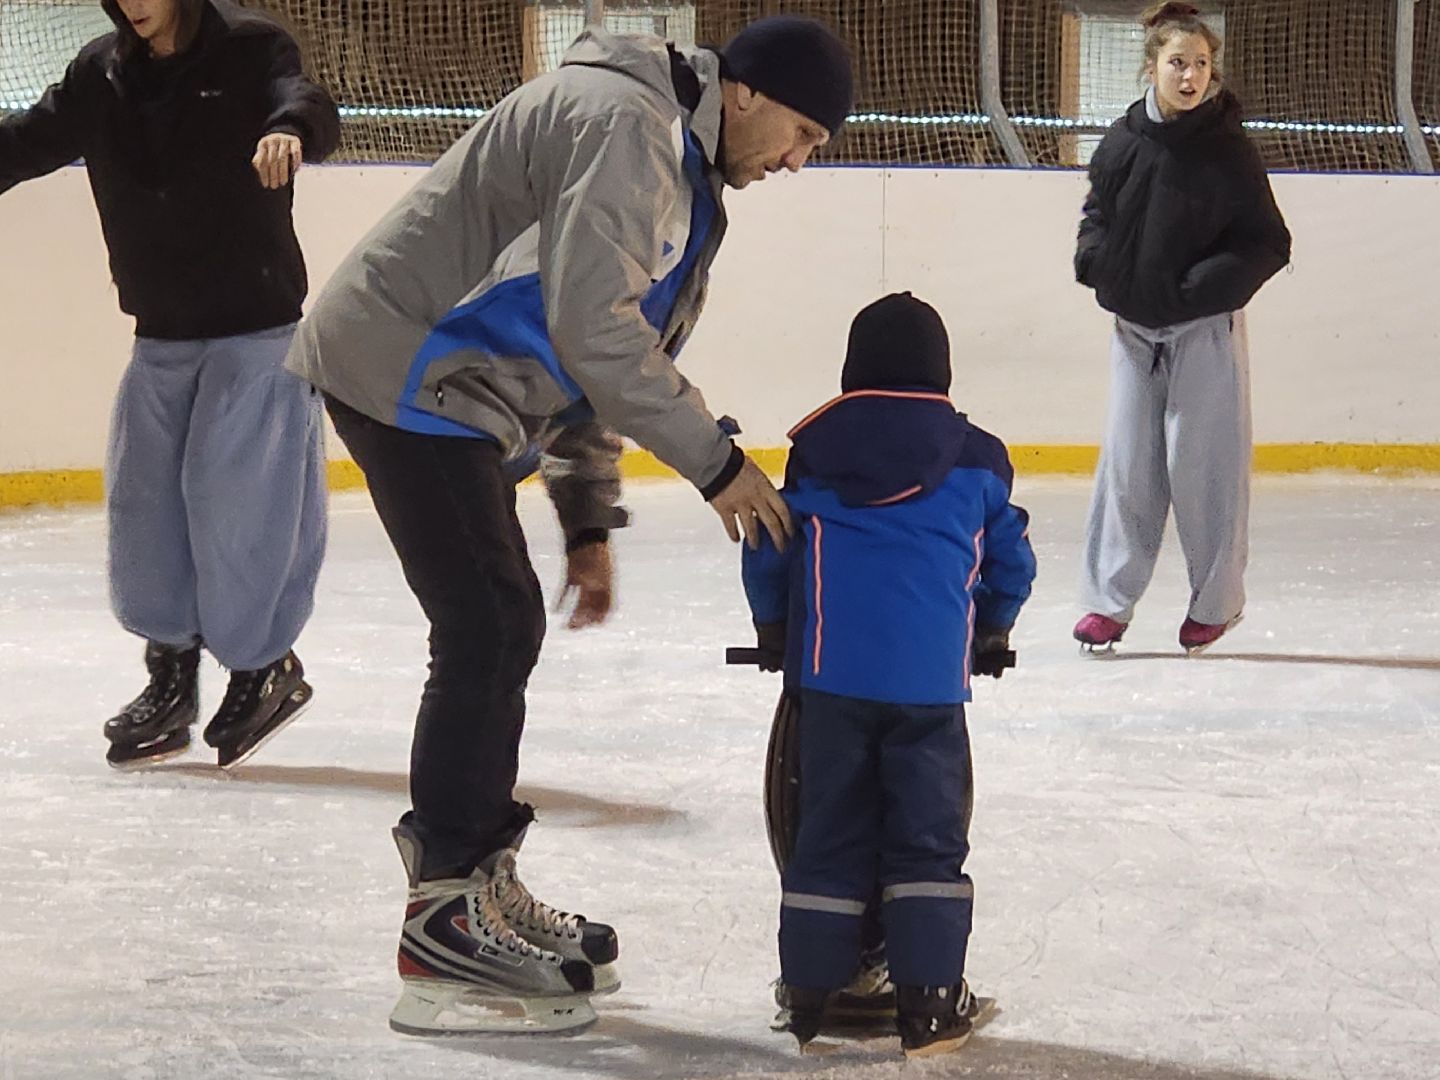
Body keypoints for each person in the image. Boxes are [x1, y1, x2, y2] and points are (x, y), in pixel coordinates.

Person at [285, 16, 854, 1034]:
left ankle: (476, 882)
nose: (801, 160)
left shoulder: (674, 160)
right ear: (749, 93)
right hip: (404, 366)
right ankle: (445, 916)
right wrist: (717, 468)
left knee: (500, 622)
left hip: (451, 386)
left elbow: (598, 347)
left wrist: (586, 520)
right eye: (805, 132)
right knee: (489, 624)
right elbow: (595, 335)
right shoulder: (630, 129)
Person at [0, 0, 340, 768]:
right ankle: (172, 672)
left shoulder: (250, 48)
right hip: (160, 330)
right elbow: (27, 141)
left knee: (237, 504)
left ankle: (261, 667)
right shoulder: (103, 73)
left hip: (255, 327)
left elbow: (304, 98)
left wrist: (289, 130)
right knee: (145, 506)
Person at [739, 293, 1037, 1057]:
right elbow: (1010, 557)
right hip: (932, 689)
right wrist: (994, 624)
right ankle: (930, 1006)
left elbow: (769, 545)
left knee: (828, 832)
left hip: (829, 682)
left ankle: (810, 995)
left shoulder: (814, 453)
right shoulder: (976, 457)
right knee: (927, 841)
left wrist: (773, 627)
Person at [1072, 1, 1291, 655]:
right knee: (1128, 467)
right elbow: (1097, 216)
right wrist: (1095, 264)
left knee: (1205, 469)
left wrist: (1201, 291)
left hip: (1201, 331)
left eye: (1200, 65)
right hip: (1133, 331)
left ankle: (1216, 604)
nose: (1191, 76)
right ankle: (1108, 604)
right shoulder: (1121, 143)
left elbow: (1266, 242)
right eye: (1178, 63)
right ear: (1153, 67)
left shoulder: (1229, 152)